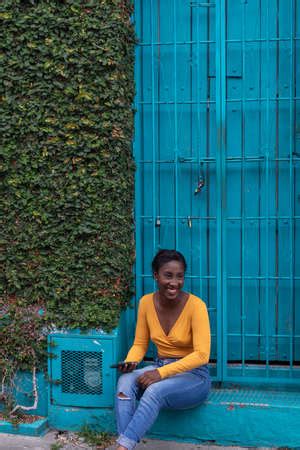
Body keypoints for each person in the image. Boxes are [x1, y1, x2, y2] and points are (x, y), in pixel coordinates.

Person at [115, 249, 211, 450]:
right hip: (160, 368)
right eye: (168, 275)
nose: (174, 282)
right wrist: (131, 361)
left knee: (154, 390)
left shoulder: (196, 306)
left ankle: (122, 448)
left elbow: (202, 355)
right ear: (156, 276)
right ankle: (126, 444)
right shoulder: (146, 303)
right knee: (124, 383)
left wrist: (161, 373)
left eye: (179, 276)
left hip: (194, 377)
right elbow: (140, 344)